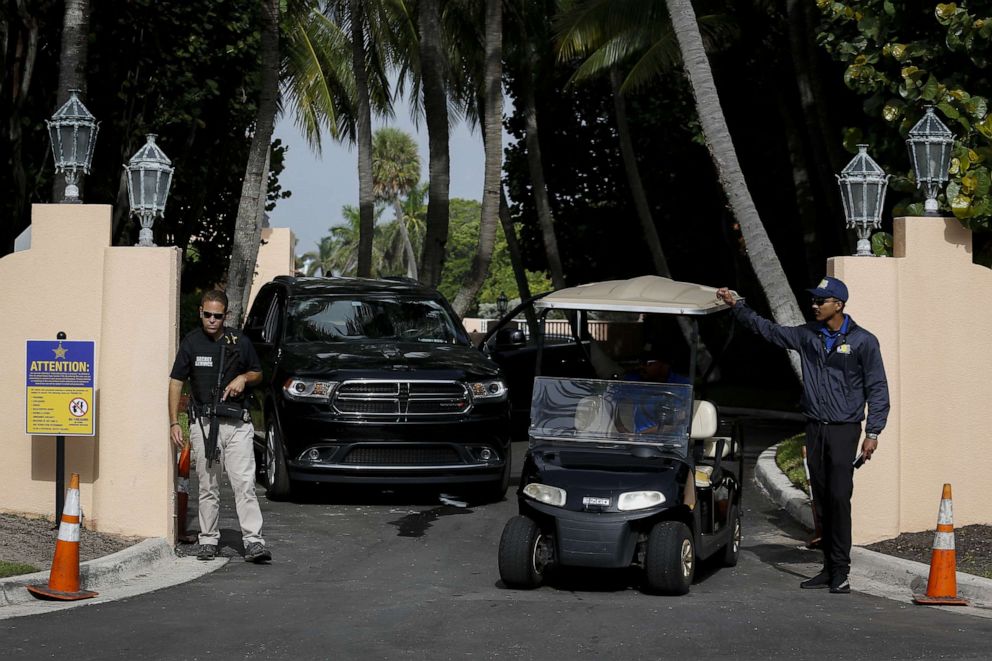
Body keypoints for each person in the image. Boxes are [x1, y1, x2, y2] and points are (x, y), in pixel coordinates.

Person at [716, 276, 889, 594]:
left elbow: (877, 388)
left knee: (839, 498)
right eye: (813, 300)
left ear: (838, 305)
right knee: (821, 500)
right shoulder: (808, 336)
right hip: (814, 428)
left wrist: (873, 431)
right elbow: (769, 330)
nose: (814, 305)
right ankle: (827, 567)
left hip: (844, 430)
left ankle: (841, 570)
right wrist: (739, 307)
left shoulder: (864, 341)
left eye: (820, 301)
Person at [168, 290, 271, 563]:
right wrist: (173, 423)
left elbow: (258, 372)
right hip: (204, 425)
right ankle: (208, 540)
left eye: (218, 316)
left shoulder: (239, 340)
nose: (212, 320)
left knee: (244, 484)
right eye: (207, 315)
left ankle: (253, 542)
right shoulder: (191, 342)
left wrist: (242, 378)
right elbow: (176, 382)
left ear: (226, 316)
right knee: (207, 486)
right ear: (200, 312)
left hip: (237, 424)